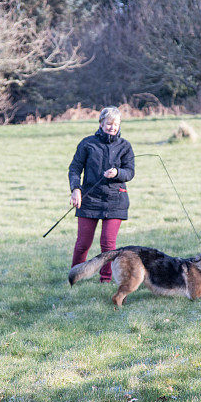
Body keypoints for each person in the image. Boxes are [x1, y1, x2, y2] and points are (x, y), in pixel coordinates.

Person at [68, 106, 135, 282]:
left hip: (115, 200)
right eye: (109, 123)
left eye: (116, 124)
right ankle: (75, 276)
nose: (112, 127)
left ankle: (105, 279)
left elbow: (130, 172)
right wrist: (76, 189)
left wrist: (118, 173)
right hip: (89, 199)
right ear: (101, 123)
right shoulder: (87, 143)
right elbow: (74, 169)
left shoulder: (125, 146)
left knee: (108, 244)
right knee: (83, 244)